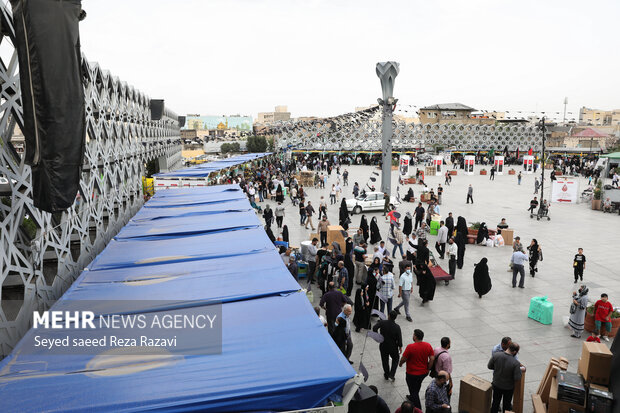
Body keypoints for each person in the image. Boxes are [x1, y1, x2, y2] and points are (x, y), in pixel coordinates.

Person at [399, 329, 435, 410]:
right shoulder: (428, 345)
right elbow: (432, 358)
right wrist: (428, 368)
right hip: (423, 373)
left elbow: (404, 358)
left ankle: (418, 408)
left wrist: (400, 363)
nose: (413, 336)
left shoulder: (410, 347)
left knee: (413, 390)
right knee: (417, 386)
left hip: (412, 374)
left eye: (413, 335)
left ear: (415, 337)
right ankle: (412, 396)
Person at [488, 342, 523, 413]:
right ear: (514, 352)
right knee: (506, 406)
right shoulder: (515, 363)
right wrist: (520, 370)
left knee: (495, 403)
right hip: (508, 388)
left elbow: (489, 366)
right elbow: (517, 378)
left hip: (496, 384)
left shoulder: (496, 355)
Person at [373, 310, 403, 381]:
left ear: (389, 316)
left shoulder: (382, 322)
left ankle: (386, 374)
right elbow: (399, 338)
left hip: (383, 345)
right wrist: (400, 346)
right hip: (393, 347)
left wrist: (378, 336)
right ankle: (392, 374)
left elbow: (374, 328)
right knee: (395, 359)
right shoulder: (397, 327)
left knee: (385, 360)